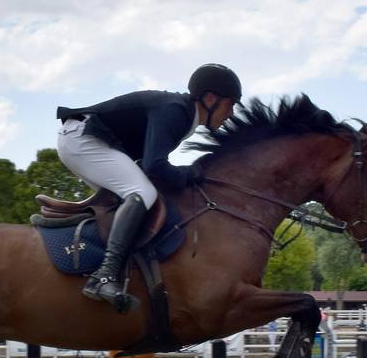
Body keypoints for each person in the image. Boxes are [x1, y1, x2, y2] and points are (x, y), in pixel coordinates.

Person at [56, 63, 242, 309]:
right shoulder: (175, 111)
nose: (231, 114)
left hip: (87, 140)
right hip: (83, 140)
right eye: (231, 104)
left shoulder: (183, 116)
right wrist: (188, 174)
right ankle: (103, 276)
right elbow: (155, 165)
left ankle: (110, 267)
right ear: (210, 98)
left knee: (134, 198)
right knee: (141, 193)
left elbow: (147, 164)